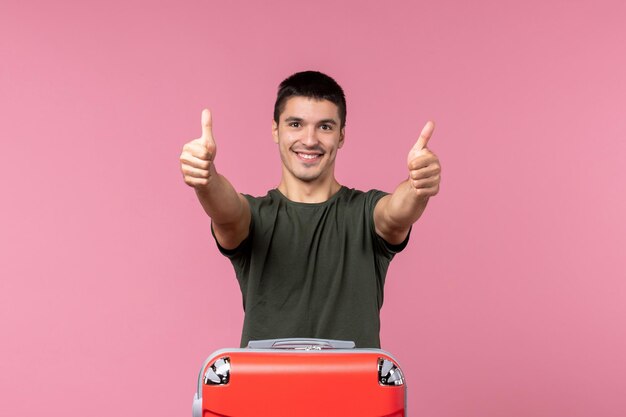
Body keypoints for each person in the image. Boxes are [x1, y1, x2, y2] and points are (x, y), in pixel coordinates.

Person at [179, 71, 441, 348]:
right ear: (275, 130)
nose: (310, 139)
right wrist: (206, 180)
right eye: (295, 124)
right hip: (265, 390)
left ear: (341, 136)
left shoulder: (365, 214)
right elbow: (227, 212)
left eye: (325, 127)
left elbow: (396, 214)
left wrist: (417, 186)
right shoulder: (254, 217)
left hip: (356, 390)